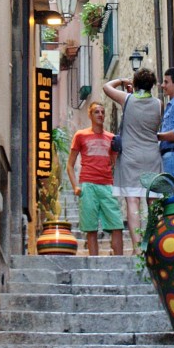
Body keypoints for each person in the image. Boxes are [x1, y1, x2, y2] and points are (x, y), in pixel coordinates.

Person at [104, 69, 162, 252]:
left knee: (132, 201)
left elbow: (106, 87)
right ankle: (153, 243)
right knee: (153, 200)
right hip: (152, 155)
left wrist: (122, 80)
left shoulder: (127, 99)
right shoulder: (159, 104)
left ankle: (138, 247)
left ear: (135, 83)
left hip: (130, 157)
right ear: (152, 85)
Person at [67, 102, 124, 256]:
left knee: (117, 224)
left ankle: (119, 260)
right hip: (88, 185)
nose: (100, 115)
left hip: (107, 185)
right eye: (96, 112)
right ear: (90, 115)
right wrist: (75, 186)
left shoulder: (111, 138)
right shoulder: (80, 135)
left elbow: (114, 163)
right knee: (90, 228)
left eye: (102, 112)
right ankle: (94, 261)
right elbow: (70, 165)